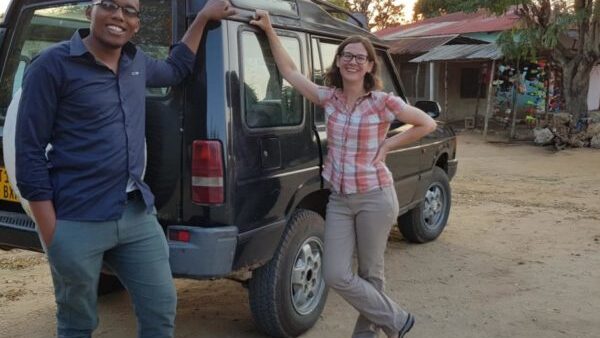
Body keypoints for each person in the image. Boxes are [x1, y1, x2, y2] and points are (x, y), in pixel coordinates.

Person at [15, 1, 236, 337]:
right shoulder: (51, 65)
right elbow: (29, 151)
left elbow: (177, 69)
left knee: (161, 309)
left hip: (136, 216)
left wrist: (203, 17)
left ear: (136, 24)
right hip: (77, 219)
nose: (119, 15)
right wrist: (53, 234)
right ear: (91, 11)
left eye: (130, 11)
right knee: (77, 322)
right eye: (109, 5)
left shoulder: (137, 63)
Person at [250, 10, 437, 338]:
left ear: (369, 66)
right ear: (338, 63)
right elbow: (290, 72)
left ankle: (366, 334)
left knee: (370, 271)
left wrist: (389, 145)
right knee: (336, 273)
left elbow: (427, 123)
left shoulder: (382, 102)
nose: (353, 61)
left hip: (375, 197)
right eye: (347, 55)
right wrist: (268, 30)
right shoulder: (329, 99)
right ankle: (396, 320)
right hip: (339, 200)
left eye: (360, 57)